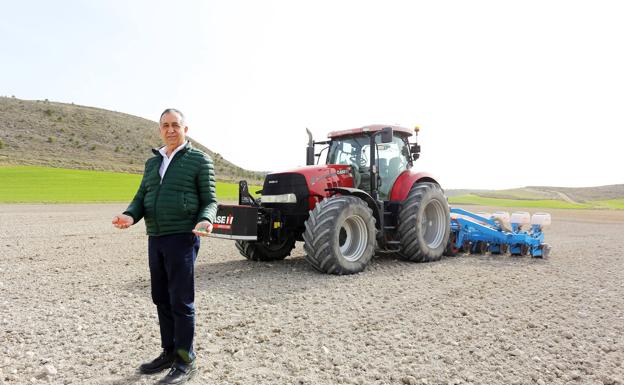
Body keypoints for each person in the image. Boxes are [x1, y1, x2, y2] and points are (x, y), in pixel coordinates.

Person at [112, 108, 217, 384]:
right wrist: (130, 215)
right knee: (161, 297)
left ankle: (186, 360)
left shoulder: (199, 160)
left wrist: (206, 219)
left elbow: (210, 201)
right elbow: (140, 197)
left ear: (185, 129)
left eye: (175, 125)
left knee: (181, 301)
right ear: (160, 130)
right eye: (165, 126)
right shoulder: (152, 163)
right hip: (155, 237)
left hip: (183, 236)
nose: (170, 130)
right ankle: (169, 352)